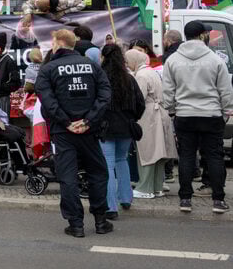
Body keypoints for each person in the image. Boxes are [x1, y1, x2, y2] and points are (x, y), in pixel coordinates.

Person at [35, 29, 112, 238]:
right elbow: (105, 95)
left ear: (58, 43)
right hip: (89, 130)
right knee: (98, 173)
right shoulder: (92, 66)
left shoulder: (49, 69)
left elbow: (47, 101)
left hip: (63, 131)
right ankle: (100, 220)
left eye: (52, 41)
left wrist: (66, 122)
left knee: (67, 176)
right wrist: (89, 120)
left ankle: (76, 224)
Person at [162, 21, 233, 214]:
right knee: (214, 157)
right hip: (211, 114)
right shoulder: (215, 59)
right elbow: (225, 90)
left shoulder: (173, 60)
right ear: (202, 35)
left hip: (185, 114)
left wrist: (172, 109)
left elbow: (168, 90)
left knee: (186, 156)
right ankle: (218, 200)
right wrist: (227, 109)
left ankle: (185, 199)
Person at [98, 44, 145, 219]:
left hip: (105, 127)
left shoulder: (100, 78)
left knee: (108, 164)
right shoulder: (129, 79)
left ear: (103, 57)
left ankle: (110, 207)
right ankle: (126, 198)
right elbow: (140, 104)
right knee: (121, 160)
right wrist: (132, 119)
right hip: (126, 126)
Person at [125, 49, 177, 199]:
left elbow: (138, 98)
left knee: (147, 152)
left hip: (148, 116)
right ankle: (157, 187)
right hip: (160, 113)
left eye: (128, 62)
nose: (128, 65)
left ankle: (145, 188)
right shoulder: (151, 71)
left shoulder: (141, 75)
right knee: (159, 153)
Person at [0, 32, 21, 117]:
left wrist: (0, 88)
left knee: (3, 126)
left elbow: (16, 83)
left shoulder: (8, 60)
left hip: (1, 99)